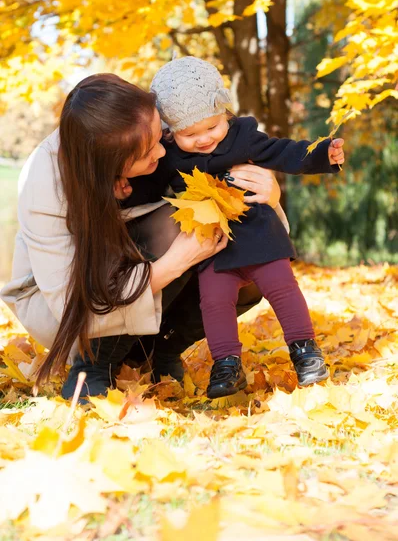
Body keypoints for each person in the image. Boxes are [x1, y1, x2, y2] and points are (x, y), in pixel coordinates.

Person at [0, 73, 282, 402]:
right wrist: (175, 263)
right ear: (110, 166)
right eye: (147, 151)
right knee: (179, 226)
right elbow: (72, 304)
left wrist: (270, 195)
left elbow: (262, 232)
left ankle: (161, 350)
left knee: (251, 258)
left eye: (159, 134)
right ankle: (94, 364)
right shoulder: (44, 182)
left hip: (138, 271)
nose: (163, 151)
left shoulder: (153, 130)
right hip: (72, 311)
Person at [129, 57, 345, 399]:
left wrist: (322, 155)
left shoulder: (243, 138)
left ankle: (306, 353)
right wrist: (123, 191)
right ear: (170, 131)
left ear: (225, 113)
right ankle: (226, 365)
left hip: (260, 236)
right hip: (212, 244)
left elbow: (284, 151)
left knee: (283, 290)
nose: (203, 139)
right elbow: (148, 187)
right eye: (189, 133)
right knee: (213, 303)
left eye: (212, 127)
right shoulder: (169, 157)